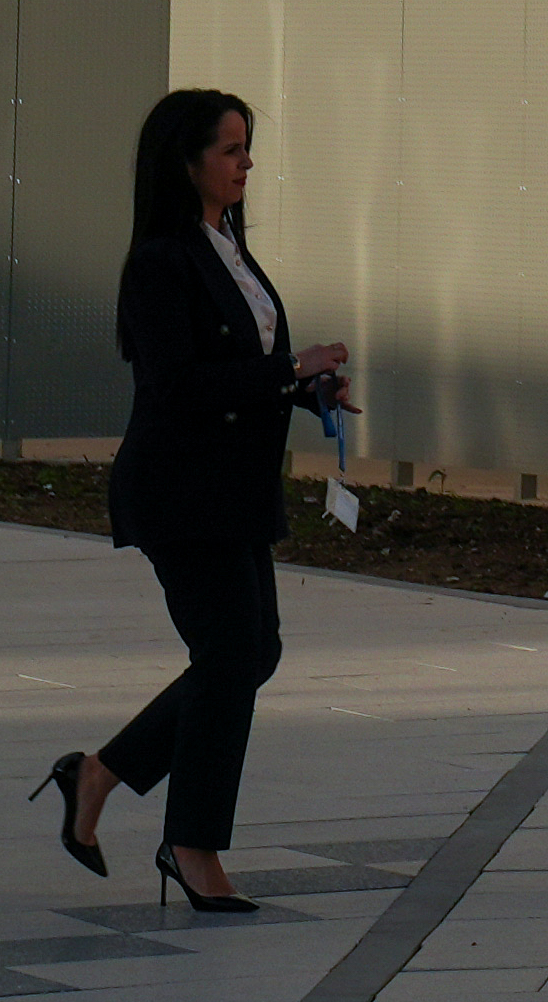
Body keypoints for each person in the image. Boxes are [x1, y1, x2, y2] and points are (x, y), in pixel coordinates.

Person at [53, 82, 339, 915]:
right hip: (181, 490)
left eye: (248, 147)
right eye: (230, 149)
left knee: (252, 656)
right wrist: (290, 368)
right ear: (186, 164)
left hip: (236, 489)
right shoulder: (160, 261)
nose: (247, 163)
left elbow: (242, 375)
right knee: (229, 657)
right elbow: (177, 385)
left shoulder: (231, 252)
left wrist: (305, 389)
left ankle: (99, 774)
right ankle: (192, 845)